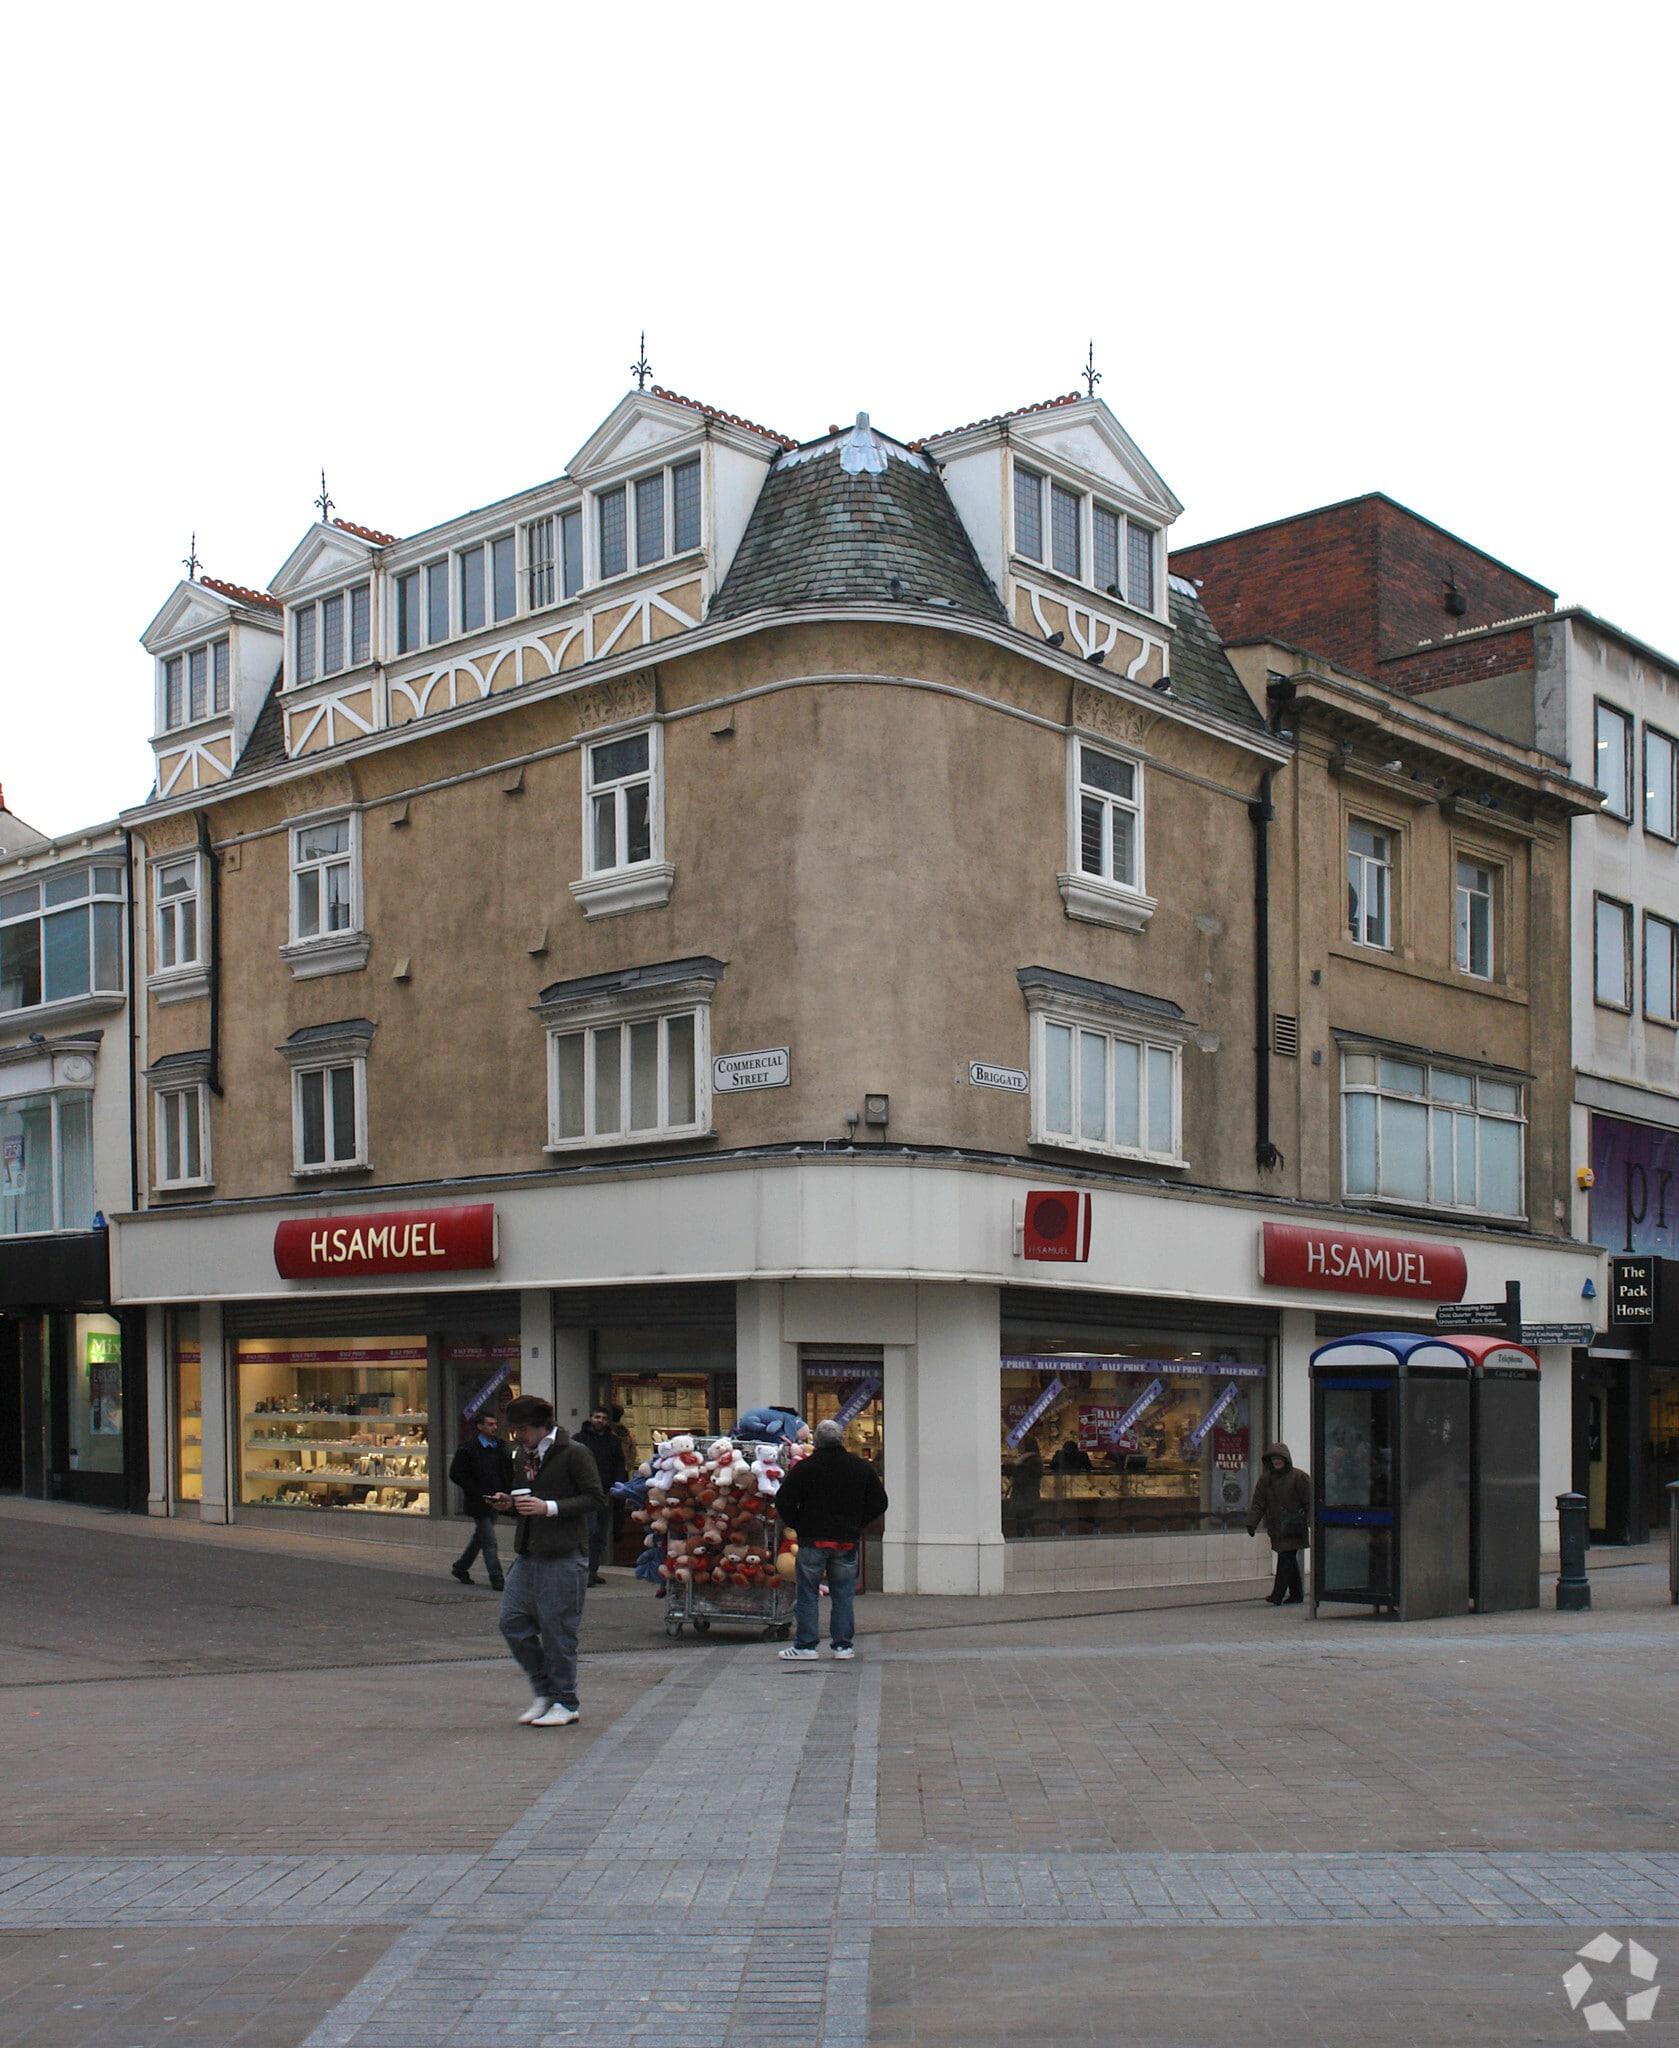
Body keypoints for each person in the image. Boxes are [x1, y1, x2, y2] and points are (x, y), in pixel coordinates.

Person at [487, 1394, 606, 1727]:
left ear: (543, 1426)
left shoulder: (575, 1453)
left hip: (564, 1553)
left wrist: (549, 1507)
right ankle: (546, 1692)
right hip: (529, 1551)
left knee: (558, 1630)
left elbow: (595, 1497)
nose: (517, 1436)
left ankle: (566, 1701)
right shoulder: (524, 1455)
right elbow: (525, 1496)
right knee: (512, 1621)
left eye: (522, 1429)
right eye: (514, 1431)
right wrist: (508, 1503)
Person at [773, 1417, 887, 1662]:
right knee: (843, 1595)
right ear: (842, 1440)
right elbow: (880, 1502)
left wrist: (798, 1523)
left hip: (812, 1539)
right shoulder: (860, 1467)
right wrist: (858, 1523)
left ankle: (805, 1646)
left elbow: (783, 1500)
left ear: (818, 1441)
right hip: (846, 1540)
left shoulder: (805, 1468)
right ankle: (843, 1646)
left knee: (807, 1593)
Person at [447, 1409, 514, 1590]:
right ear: (480, 1427)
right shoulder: (468, 1449)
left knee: (481, 1538)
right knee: (489, 1541)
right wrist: (476, 1491)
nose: (494, 1427)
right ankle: (497, 1579)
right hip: (479, 1502)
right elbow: (456, 1474)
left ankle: (460, 1567)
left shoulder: (501, 1447)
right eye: (490, 1424)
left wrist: (507, 1493)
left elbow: (507, 1472)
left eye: (495, 1424)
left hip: (497, 1500)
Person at [1247, 1441, 1312, 1606]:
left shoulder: (1299, 1477)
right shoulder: (1266, 1479)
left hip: (1294, 1526)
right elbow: (1259, 1503)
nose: (1276, 1462)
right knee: (1288, 1559)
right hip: (1276, 1526)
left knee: (1286, 1558)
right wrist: (1252, 1522)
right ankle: (1296, 1594)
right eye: (1274, 1458)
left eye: (1279, 1458)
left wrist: (1312, 1520)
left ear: (1286, 1459)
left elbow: (1309, 1502)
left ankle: (1278, 1594)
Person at [576, 1405, 628, 1587]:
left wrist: (618, 1484)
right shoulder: (579, 1440)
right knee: (589, 1533)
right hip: (586, 1493)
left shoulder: (613, 1441)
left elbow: (619, 1464)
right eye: (597, 1417)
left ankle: (593, 1570)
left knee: (600, 1535)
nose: (600, 1421)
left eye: (604, 1418)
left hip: (606, 1492)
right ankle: (584, 1572)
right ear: (590, 1418)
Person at [1008, 1437, 1044, 1537]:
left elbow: (1020, 1478)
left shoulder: (1032, 1461)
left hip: (1025, 1498)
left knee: (1024, 1522)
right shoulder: (1031, 1460)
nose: (1018, 1447)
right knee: (1025, 1521)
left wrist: (1015, 1464)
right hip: (1026, 1497)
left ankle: (1024, 1539)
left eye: (1020, 1445)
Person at [735, 1404, 810, 1446]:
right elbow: (770, 1430)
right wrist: (782, 1436)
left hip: (745, 1428)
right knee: (762, 1428)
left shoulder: (781, 1415)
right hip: (752, 1421)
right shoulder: (780, 1419)